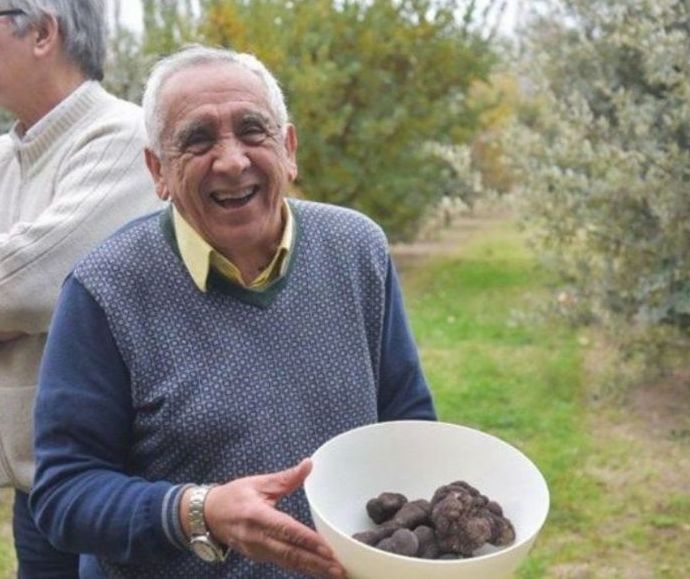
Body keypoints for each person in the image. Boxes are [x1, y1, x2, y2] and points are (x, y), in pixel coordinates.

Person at [30, 44, 436, 578]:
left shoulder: (356, 248)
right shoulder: (106, 288)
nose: (232, 160)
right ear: (158, 170)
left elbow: (408, 425)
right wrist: (198, 512)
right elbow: (65, 493)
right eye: (197, 140)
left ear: (288, 148)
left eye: (252, 131)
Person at [0, 0, 162, 577]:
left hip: (111, 487)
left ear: (42, 31)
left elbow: (25, 288)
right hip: (37, 481)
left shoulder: (123, 137)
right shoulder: (9, 153)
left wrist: (26, 304)